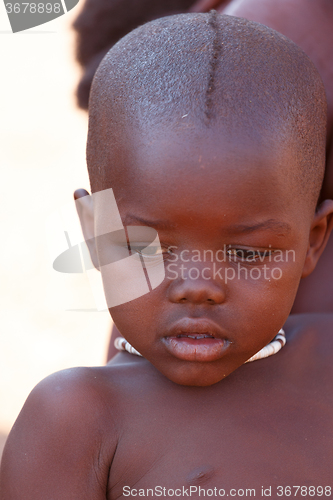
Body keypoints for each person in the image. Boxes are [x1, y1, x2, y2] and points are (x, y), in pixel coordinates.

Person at [2, 13, 333, 498]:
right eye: (145, 248)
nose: (197, 285)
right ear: (96, 235)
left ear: (314, 240)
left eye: (245, 253)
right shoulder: (77, 419)